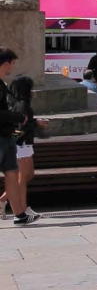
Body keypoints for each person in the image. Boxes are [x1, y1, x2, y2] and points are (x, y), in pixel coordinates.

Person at [0, 48, 39, 225]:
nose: (13, 68)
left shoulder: (2, 84)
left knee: (12, 173)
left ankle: (20, 215)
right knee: (12, 173)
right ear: (5, 63)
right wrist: (17, 117)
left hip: (7, 135)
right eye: (12, 64)